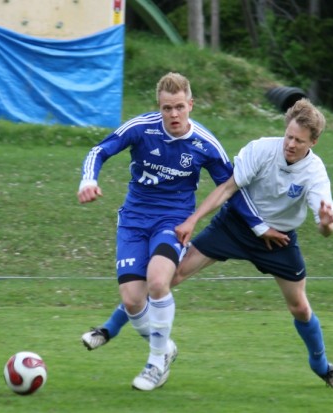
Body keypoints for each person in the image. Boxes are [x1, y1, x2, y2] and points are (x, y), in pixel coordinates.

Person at [77, 72, 278, 391]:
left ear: (191, 105)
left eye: (179, 107)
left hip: (173, 221)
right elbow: (98, 151)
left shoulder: (205, 143)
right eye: (167, 108)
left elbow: (231, 187)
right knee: (132, 301)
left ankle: (156, 363)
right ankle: (165, 348)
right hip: (133, 219)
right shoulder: (141, 129)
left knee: (158, 281)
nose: (173, 114)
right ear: (159, 107)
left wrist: (258, 224)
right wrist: (89, 181)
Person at [172, 98, 333, 390]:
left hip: (279, 241)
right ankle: (113, 327)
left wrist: (326, 223)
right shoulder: (261, 149)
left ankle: (322, 367)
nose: (291, 144)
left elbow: (326, 229)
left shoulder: (316, 173)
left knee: (300, 308)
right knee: (173, 275)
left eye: (299, 141)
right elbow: (227, 189)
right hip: (235, 226)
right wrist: (194, 220)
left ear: (314, 142)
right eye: (289, 136)